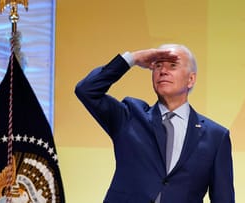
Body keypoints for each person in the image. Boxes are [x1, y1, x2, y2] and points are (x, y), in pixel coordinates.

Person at [75, 44, 235, 203]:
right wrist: (133, 58)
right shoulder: (130, 115)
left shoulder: (216, 137)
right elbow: (87, 90)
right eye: (158, 66)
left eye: (173, 65)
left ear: (191, 79)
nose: (163, 71)